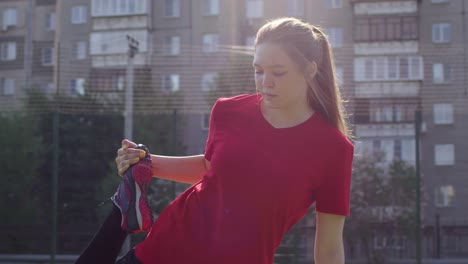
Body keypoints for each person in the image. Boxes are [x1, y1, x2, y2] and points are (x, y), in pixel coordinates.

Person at [76, 17, 354, 264]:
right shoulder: (228, 110)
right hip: (165, 250)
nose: (265, 82)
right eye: (259, 70)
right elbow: (212, 168)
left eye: (278, 73)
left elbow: (329, 248)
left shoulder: (334, 149)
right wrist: (145, 162)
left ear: (310, 71)